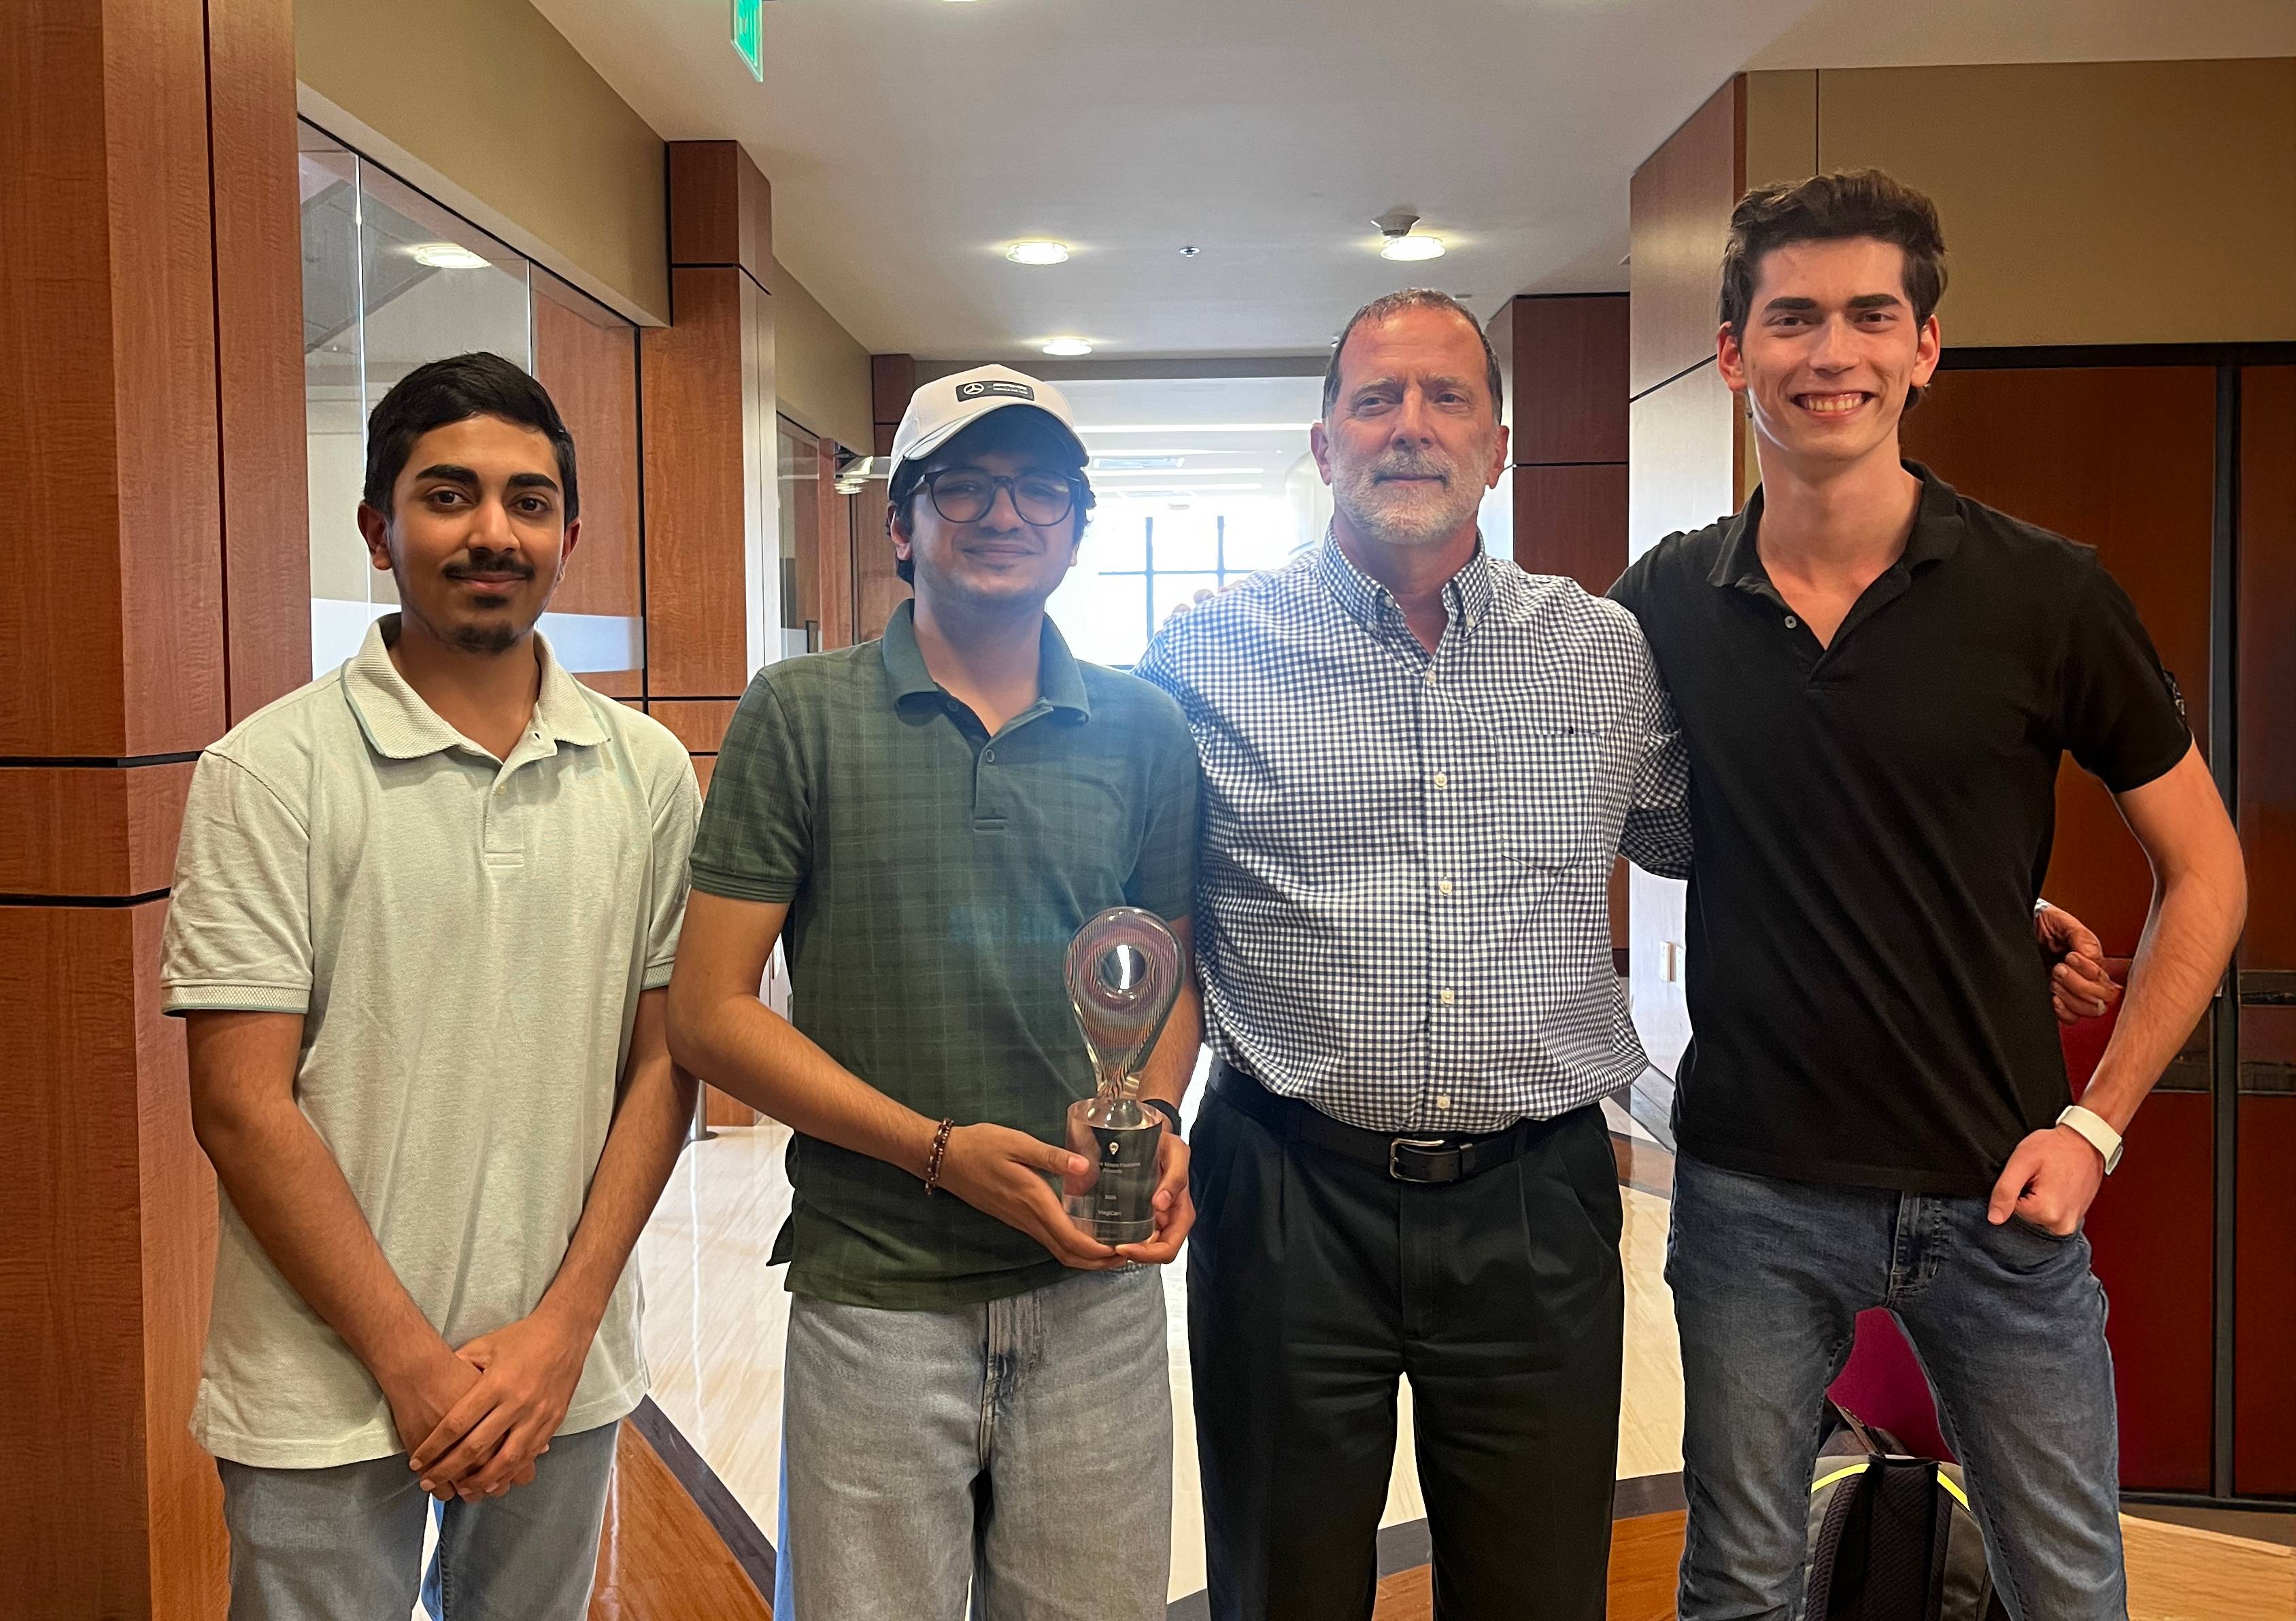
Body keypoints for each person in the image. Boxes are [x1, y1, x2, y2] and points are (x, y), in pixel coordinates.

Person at [1608, 169, 2248, 1621]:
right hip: (1749, 1193)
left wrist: (2095, 1125)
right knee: (1737, 1587)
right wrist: (1980, 903)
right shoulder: (1662, 603)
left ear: (1921, 347)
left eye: (1865, 315)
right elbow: (1637, 819)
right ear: (1730, 353)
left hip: (2001, 1190)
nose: (1827, 352)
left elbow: (2205, 869)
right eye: (1789, 319)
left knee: (2065, 1589)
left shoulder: (2044, 594)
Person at [1135, 289, 1693, 1620]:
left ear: (1496, 445)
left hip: (1533, 1195)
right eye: (1373, 400)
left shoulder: (1602, 655)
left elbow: (1715, 838)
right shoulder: (1203, 655)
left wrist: (1979, 910)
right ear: (1322, 443)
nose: (1408, 428)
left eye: (1445, 398)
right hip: (1284, 1187)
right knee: (1279, 1588)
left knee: (1537, 1588)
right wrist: (1142, 1111)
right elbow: (1157, 928)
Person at [161, 352, 702, 1620]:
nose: (490, 532)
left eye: (526, 501)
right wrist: (412, 1366)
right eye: (448, 495)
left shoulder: (648, 772)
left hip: (560, 1368)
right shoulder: (266, 773)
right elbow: (240, 1105)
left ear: (570, 534)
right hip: (321, 1383)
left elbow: (667, 1064)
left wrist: (563, 1331)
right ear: (377, 529)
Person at [666, 365, 1203, 1620]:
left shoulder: (1146, 729)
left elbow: (1170, 981)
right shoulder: (798, 716)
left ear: (1077, 528)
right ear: (900, 525)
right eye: (962, 485)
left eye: (1039, 491)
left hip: (1096, 1294)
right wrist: (939, 1152)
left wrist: (1156, 1119)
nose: (1003, 514)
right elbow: (710, 1011)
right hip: (877, 1292)